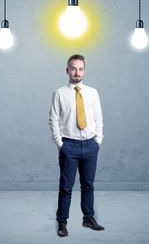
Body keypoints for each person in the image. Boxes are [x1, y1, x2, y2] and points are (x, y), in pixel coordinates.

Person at [49, 54, 105, 237]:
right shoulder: (59, 93)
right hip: (69, 146)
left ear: (84, 71)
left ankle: (88, 218)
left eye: (80, 69)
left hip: (90, 146)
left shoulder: (92, 92)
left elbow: (98, 118)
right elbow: (53, 120)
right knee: (66, 187)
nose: (77, 72)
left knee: (88, 185)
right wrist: (60, 145)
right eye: (73, 68)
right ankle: (62, 222)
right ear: (67, 70)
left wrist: (98, 141)